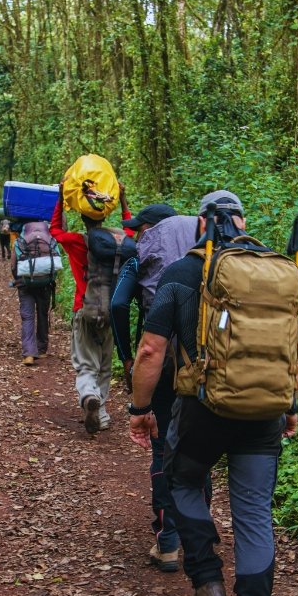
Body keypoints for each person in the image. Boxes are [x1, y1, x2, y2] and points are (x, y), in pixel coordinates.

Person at [128, 190, 298, 596]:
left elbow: (150, 350)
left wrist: (140, 409)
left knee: (182, 481)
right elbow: (293, 350)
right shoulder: (275, 273)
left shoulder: (183, 272)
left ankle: (207, 584)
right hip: (264, 416)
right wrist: (290, 404)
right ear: (244, 221)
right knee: (254, 516)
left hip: (201, 412)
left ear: (201, 223)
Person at [109, 203, 201, 574]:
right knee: (198, 447)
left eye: (141, 228)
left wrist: (126, 356)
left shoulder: (140, 259)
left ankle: (168, 542)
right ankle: (197, 535)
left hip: (162, 364)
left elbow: (118, 304)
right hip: (204, 365)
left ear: (154, 229)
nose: (137, 234)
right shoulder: (208, 258)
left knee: (163, 447)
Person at [50, 171, 132, 434]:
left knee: (86, 362)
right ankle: (103, 414)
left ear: (83, 216)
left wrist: (61, 197)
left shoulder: (78, 242)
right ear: (104, 214)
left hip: (85, 308)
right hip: (112, 310)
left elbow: (56, 231)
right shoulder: (119, 241)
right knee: (105, 363)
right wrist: (123, 199)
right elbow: (132, 230)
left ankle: (88, 396)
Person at [10, 221, 54, 366]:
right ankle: (41, 350)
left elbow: (13, 265)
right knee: (42, 314)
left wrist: (18, 279)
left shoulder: (20, 242)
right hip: (45, 284)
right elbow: (55, 263)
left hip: (25, 284)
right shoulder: (50, 240)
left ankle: (29, 353)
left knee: (27, 317)